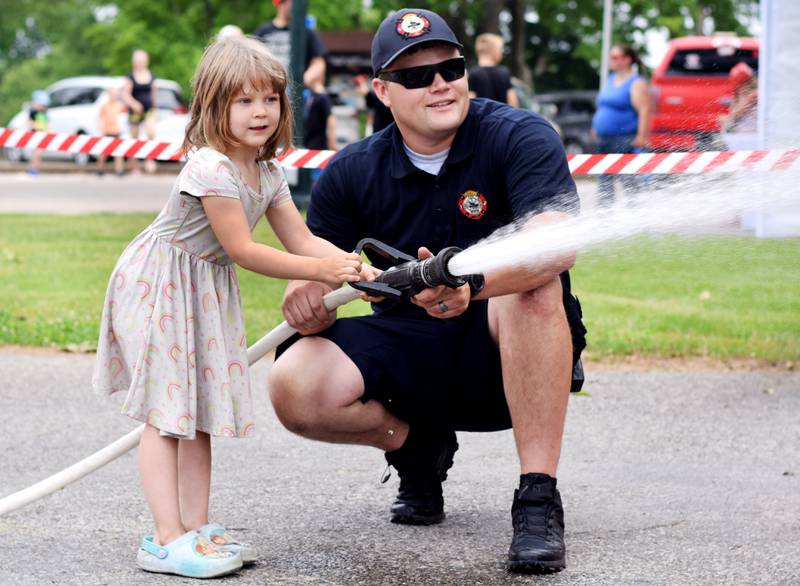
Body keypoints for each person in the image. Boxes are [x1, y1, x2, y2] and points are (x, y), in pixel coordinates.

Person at [268, 8, 587, 575]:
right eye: (416, 76)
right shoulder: (351, 170)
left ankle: (538, 498)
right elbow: (311, 267)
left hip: (500, 346)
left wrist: (471, 282)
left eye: (451, 67)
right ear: (383, 92)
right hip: (407, 347)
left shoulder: (521, 135)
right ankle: (416, 448)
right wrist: (305, 299)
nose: (439, 83)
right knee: (293, 382)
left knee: (537, 287)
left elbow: (557, 243)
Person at [92, 37, 362, 579]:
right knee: (166, 414)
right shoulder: (210, 168)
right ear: (215, 107)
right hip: (158, 283)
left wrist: (357, 267)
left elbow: (303, 242)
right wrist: (324, 272)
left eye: (270, 99)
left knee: (198, 415)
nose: (260, 112)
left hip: (201, 287)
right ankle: (164, 539)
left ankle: (196, 526)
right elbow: (243, 250)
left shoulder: (267, 174)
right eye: (244, 101)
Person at [591, 44, 651, 207]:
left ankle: (636, 217)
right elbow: (603, 106)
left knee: (628, 181)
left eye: (616, 57)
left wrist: (641, 136)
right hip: (603, 139)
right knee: (604, 181)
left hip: (624, 139)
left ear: (627, 60)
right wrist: (595, 128)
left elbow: (644, 110)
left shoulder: (636, 82)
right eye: (611, 57)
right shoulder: (610, 79)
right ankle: (604, 218)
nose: (612, 60)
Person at [254, 0, 327, 89]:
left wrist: (301, 81)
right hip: (268, 86)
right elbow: (253, 62)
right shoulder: (263, 32)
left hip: (298, 89)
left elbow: (319, 62)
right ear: (281, 4)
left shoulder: (306, 32)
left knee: (321, 96)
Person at [122, 49, 158, 175]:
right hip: (135, 112)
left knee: (151, 132)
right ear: (134, 62)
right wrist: (134, 104)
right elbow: (125, 94)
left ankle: (150, 160)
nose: (140, 63)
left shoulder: (151, 75)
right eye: (137, 61)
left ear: (146, 61)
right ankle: (135, 167)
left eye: (142, 61)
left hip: (148, 110)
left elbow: (153, 93)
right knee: (135, 139)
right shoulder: (130, 76)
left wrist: (155, 107)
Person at [468, 33, 519, 107]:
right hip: (503, 117)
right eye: (500, 49)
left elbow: (470, 102)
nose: (502, 53)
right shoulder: (504, 73)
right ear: (495, 51)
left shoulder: (473, 73)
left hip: (482, 118)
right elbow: (513, 103)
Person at [720, 62, 758, 137]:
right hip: (744, 134)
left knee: (726, 124)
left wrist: (728, 119)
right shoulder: (741, 96)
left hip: (751, 135)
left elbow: (739, 111)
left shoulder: (754, 94)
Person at [96, 86, 126, 177]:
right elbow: (100, 118)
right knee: (103, 153)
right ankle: (100, 169)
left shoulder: (119, 105)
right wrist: (102, 128)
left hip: (116, 131)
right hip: (107, 131)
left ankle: (119, 170)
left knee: (118, 153)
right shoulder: (104, 106)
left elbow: (123, 118)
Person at [303, 70, 336, 151]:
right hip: (309, 143)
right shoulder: (312, 96)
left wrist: (332, 144)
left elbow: (331, 120)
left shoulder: (323, 98)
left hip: (318, 145)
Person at [26, 90, 49, 176]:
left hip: (42, 135)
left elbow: (47, 124)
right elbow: (29, 123)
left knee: (38, 154)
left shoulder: (44, 113)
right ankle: (32, 168)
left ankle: (35, 168)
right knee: (36, 153)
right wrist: (37, 126)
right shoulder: (33, 112)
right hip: (34, 135)